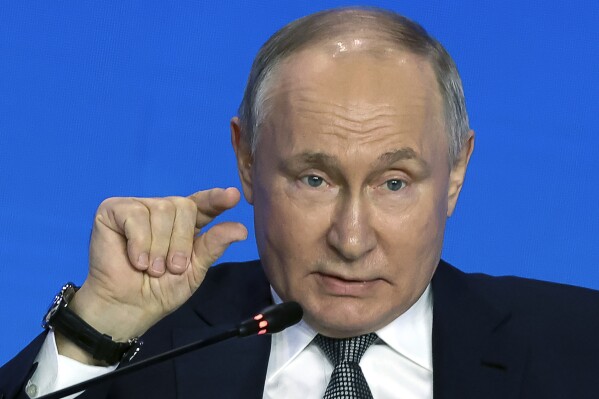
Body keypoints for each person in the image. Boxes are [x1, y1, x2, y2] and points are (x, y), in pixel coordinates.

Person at [2, 6, 599, 399]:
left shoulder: (580, 345)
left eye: (394, 183)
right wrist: (95, 333)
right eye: (314, 179)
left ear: (456, 171)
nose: (352, 238)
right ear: (246, 157)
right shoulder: (146, 343)